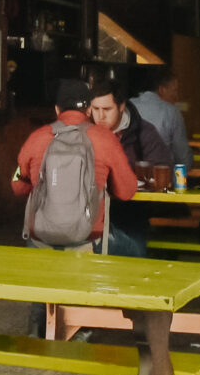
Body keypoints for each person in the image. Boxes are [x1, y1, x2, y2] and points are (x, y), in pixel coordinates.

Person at [12, 77, 136, 250]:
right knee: (134, 244)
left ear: (57, 109)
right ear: (89, 110)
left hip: (40, 242)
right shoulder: (105, 139)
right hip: (87, 243)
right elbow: (127, 191)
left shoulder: (36, 138)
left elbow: (17, 187)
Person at [85, 84, 159, 257]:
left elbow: (162, 168)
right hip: (90, 217)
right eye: (96, 109)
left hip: (131, 214)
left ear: (121, 106)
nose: (100, 116)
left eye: (107, 109)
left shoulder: (143, 132)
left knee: (134, 254)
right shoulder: (83, 132)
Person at [130, 74, 190, 171]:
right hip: (162, 175)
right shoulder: (171, 112)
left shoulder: (129, 105)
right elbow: (182, 156)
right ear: (162, 90)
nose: (177, 96)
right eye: (175, 90)